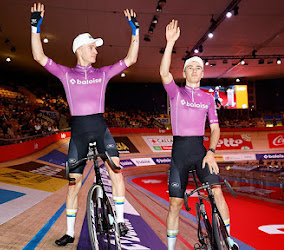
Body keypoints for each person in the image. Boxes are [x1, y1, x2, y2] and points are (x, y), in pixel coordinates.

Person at [30, 3, 139, 246]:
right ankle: (69, 232)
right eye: (92, 48)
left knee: (117, 172)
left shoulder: (103, 73)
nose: (96, 52)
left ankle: (120, 220)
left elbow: (131, 59)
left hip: (100, 129)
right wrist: (34, 26)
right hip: (78, 133)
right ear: (80, 49)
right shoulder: (67, 74)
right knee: (73, 185)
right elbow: (39, 56)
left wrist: (135, 31)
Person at [159, 20, 239, 250]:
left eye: (198, 68)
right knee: (174, 204)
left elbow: (215, 128)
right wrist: (170, 42)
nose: (194, 71)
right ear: (184, 73)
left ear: (202, 73)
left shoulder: (207, 98)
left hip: (202, 153)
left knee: (217, 193)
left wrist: (212, 153)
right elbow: (164, 72)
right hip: (179, 154)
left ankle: (229, 240)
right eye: (190, 68)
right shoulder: (176, 93)